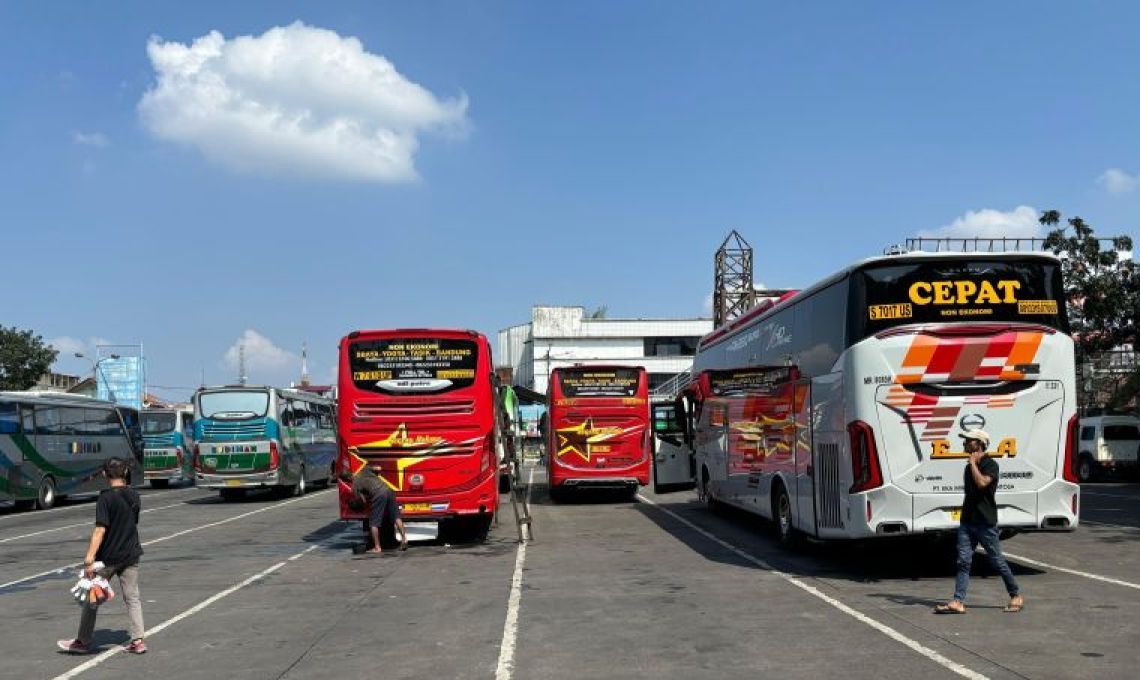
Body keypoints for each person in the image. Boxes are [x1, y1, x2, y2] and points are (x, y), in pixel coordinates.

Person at [58, 457, 147, 654]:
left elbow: (100, 530)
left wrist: (89, 557)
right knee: (132, 598)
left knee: (92, 598)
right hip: (131, 553)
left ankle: (82, 641)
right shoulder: (134, 495)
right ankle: (138, 641)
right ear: (125, 473)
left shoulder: (105, 498)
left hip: (108, 558)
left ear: (105, 474)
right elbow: (134, 522)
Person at [935, 429, 1024, 615]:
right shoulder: (968, 467)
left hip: (985, 522)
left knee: (996, 561)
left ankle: (1015, 595)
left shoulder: (991, 465)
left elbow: (983, 484)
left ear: (979, 443)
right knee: (963, 561)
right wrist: (972, 465)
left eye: (968, 441)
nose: (964, 444)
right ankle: (958, 601)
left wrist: (974, 465)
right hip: (967, 522)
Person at [349, 466, 407, 554]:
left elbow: (363, 501)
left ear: (348, 479)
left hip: (378, 494)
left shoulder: (355, 485)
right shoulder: (364, 470)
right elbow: (379, 468)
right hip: (389, 490)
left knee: (373, 523)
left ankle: (377, 547)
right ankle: (404, 539)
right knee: (396, 516)